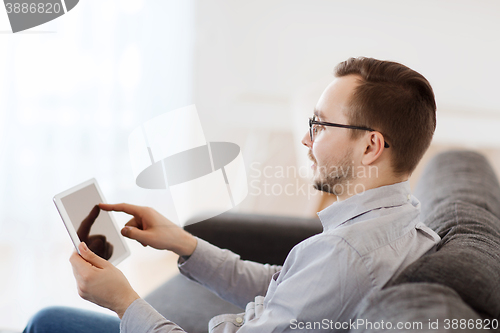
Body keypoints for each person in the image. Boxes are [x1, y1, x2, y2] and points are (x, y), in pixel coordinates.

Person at [24, 57, 441, 333]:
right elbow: (283, 285)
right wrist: (186, 244)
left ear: (371, 146)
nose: (304, 138)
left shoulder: (345, 254)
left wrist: (123, 301)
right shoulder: (403, 221)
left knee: (47, 321)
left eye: (320, 126)